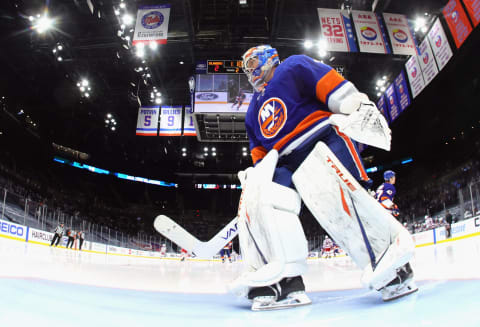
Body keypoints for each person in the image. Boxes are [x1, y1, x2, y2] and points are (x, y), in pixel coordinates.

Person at [231, 45, 416, 311]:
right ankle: (282, 280)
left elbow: (329, 85)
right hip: (283, 159)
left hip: (322, 139)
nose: (250, 69)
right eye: (246, 66)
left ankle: (392, 267)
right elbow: (259, 151)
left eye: (253, 62)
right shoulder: (251, 111)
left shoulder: (292, 66)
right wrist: (257, 173)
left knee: (342, 198)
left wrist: (351, 103)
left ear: (269, 58)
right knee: (266, 203)